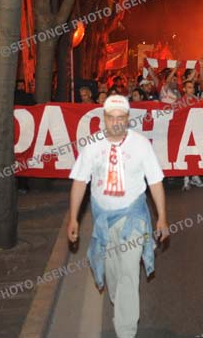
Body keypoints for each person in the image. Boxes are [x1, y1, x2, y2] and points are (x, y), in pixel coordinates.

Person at [68, 95, 169, 338]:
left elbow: (155, 182)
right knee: (113, 274)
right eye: (111, 117)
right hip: (103, 219)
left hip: (133, 217)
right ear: (104, 118)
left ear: (127, 118)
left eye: (120, 117)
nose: (116, 122)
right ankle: (121, 306)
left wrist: (162, 217)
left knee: (129, 272)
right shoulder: (92, 146)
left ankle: (125, 331)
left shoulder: (141, 145)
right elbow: (80, 182)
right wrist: (73, 218)